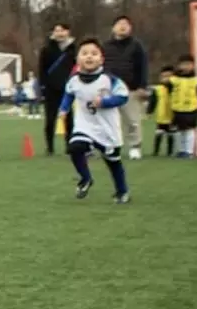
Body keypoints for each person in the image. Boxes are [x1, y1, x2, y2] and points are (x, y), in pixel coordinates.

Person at [59, 38, 131, 203]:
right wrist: (63, 109)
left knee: (113, 162)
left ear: (101, 59)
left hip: (108, 129)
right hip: (85, 126)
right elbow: (69, 94)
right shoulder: (74, 80)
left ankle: (122, 191)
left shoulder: (109, 79)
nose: (89, 57)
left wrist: (104, 102)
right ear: (78, 59)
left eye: (94, 53)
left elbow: (123, 96)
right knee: (75, 147)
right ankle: (85, 178)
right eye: (84, 53)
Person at [103, 16, 150, 160]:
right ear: (113, 28)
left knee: (132, 120)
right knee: (109, 120)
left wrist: (142, 86)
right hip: (109, 89)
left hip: (130, 89)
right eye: (119, 24)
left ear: (130, 28)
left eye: (126, 24)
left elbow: (143, 66)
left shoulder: (136, 45)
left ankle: (135, 147)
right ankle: (111, 146)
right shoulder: (106, 46)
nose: (122, 27)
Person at [38, 23, 77, 154]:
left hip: (68, 89)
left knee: (69, 118)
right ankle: (49, 147)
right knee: (50, 119)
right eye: (57, 30)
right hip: (51, 89)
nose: (59, 33)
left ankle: (69, 146)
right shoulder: (47, 49)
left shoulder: (74, 49)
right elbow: (41, 69)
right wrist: (42, 86)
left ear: (68, 32)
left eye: (62, 30)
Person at [169, 54, 197, 158]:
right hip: (177, 109)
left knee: (189, 130)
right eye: (183, 64)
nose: (186, 66)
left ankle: (188, 151)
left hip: (192, 109)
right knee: (178, 130)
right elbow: (169, 92)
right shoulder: (174, 79)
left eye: (188, 64)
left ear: (193, 65)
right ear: (179, 66)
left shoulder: (196, 80)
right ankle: (181, 150)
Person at [147, 65, 176, 157]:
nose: (166, 79)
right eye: (164, 76)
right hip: (161, 116)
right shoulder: (158, 89)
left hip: (172, 116)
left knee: (171, 135)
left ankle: (170, 152)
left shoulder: (176, 88)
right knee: (159, 133)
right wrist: (149, 112)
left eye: (169, 76)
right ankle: (156, 151)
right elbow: (153, 101)